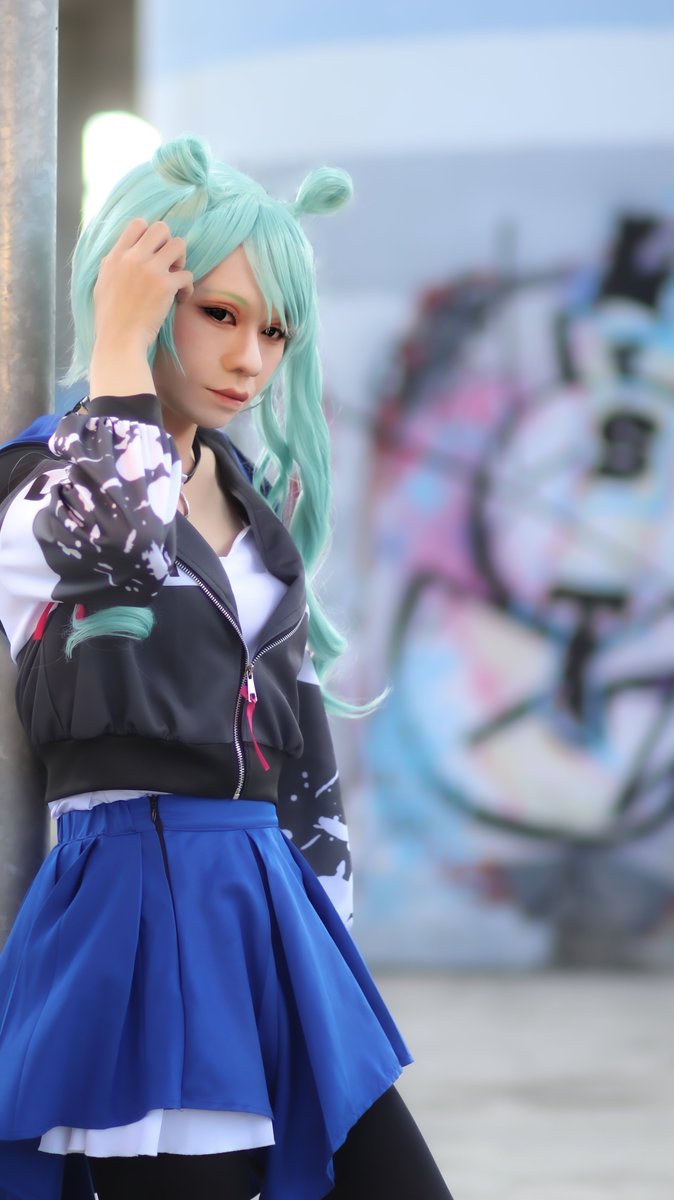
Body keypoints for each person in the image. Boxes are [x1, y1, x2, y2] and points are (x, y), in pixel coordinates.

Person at [0, 135, 453, 1200]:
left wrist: (326, 934)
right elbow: (120, 556)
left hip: (268, 904)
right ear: (140, 292)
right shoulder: (46, 484)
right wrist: (117, 351)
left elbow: (299, 744)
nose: (251, 358)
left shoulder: (249, 498)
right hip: (140, 905)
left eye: (275, 330)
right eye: (219, 313)